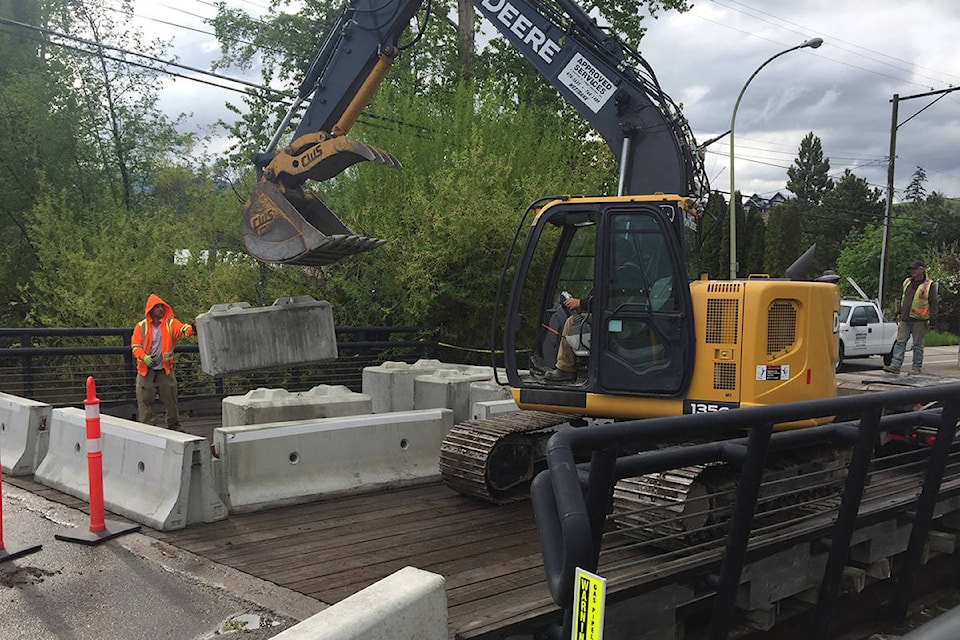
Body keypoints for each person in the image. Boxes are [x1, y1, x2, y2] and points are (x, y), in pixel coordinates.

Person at [131, 294, 196, 430]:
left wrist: (193, 328)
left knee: (171, 398)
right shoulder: (141, 327)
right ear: (151, 310)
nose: (160, 309)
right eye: (157, 307)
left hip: (164, 369)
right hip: (146, 370)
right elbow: (135, 346)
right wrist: (144, 357)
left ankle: (174, 426)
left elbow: (182, 329)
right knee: (144, 400)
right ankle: (147, 428)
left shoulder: (170, 324)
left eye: (161, 306)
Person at [883, 260, 938, 375]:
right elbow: (903, 299)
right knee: (900, 341)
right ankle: (895, 365)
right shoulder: (907, 282)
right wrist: (898, 312)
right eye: (912, 269)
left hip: (919, 319)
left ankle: (916, 367)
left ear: (922, 269)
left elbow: (933, 303)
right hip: (905, 318)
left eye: (915, 269)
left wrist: (932, 320)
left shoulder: (929, 285)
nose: (912, 271)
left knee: (917, 345)